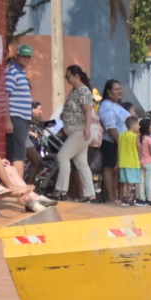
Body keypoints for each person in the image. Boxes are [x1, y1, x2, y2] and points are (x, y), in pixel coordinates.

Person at [54, 65, 97, 202]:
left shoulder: (83, 90)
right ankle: (90, 193)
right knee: (81, 163)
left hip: (81, 130)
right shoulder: (74, 91)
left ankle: (61, 189)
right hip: (74, 130)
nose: (67, 79)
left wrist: (87, 128)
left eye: (68, 76)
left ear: (76, 76)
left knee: (63, 156)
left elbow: (87, 110)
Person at [4, 42, 34, 186]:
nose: (26, 59)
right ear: (17, 56)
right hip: (16, 118)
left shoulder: (22, 73)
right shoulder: (12, 72)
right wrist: (7, 120)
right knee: (18, 156)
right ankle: (19, 188)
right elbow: (5, 96)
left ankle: (15, 187)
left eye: (29, 57)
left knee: (17, 155)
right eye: (24, 56)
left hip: (22, 119)